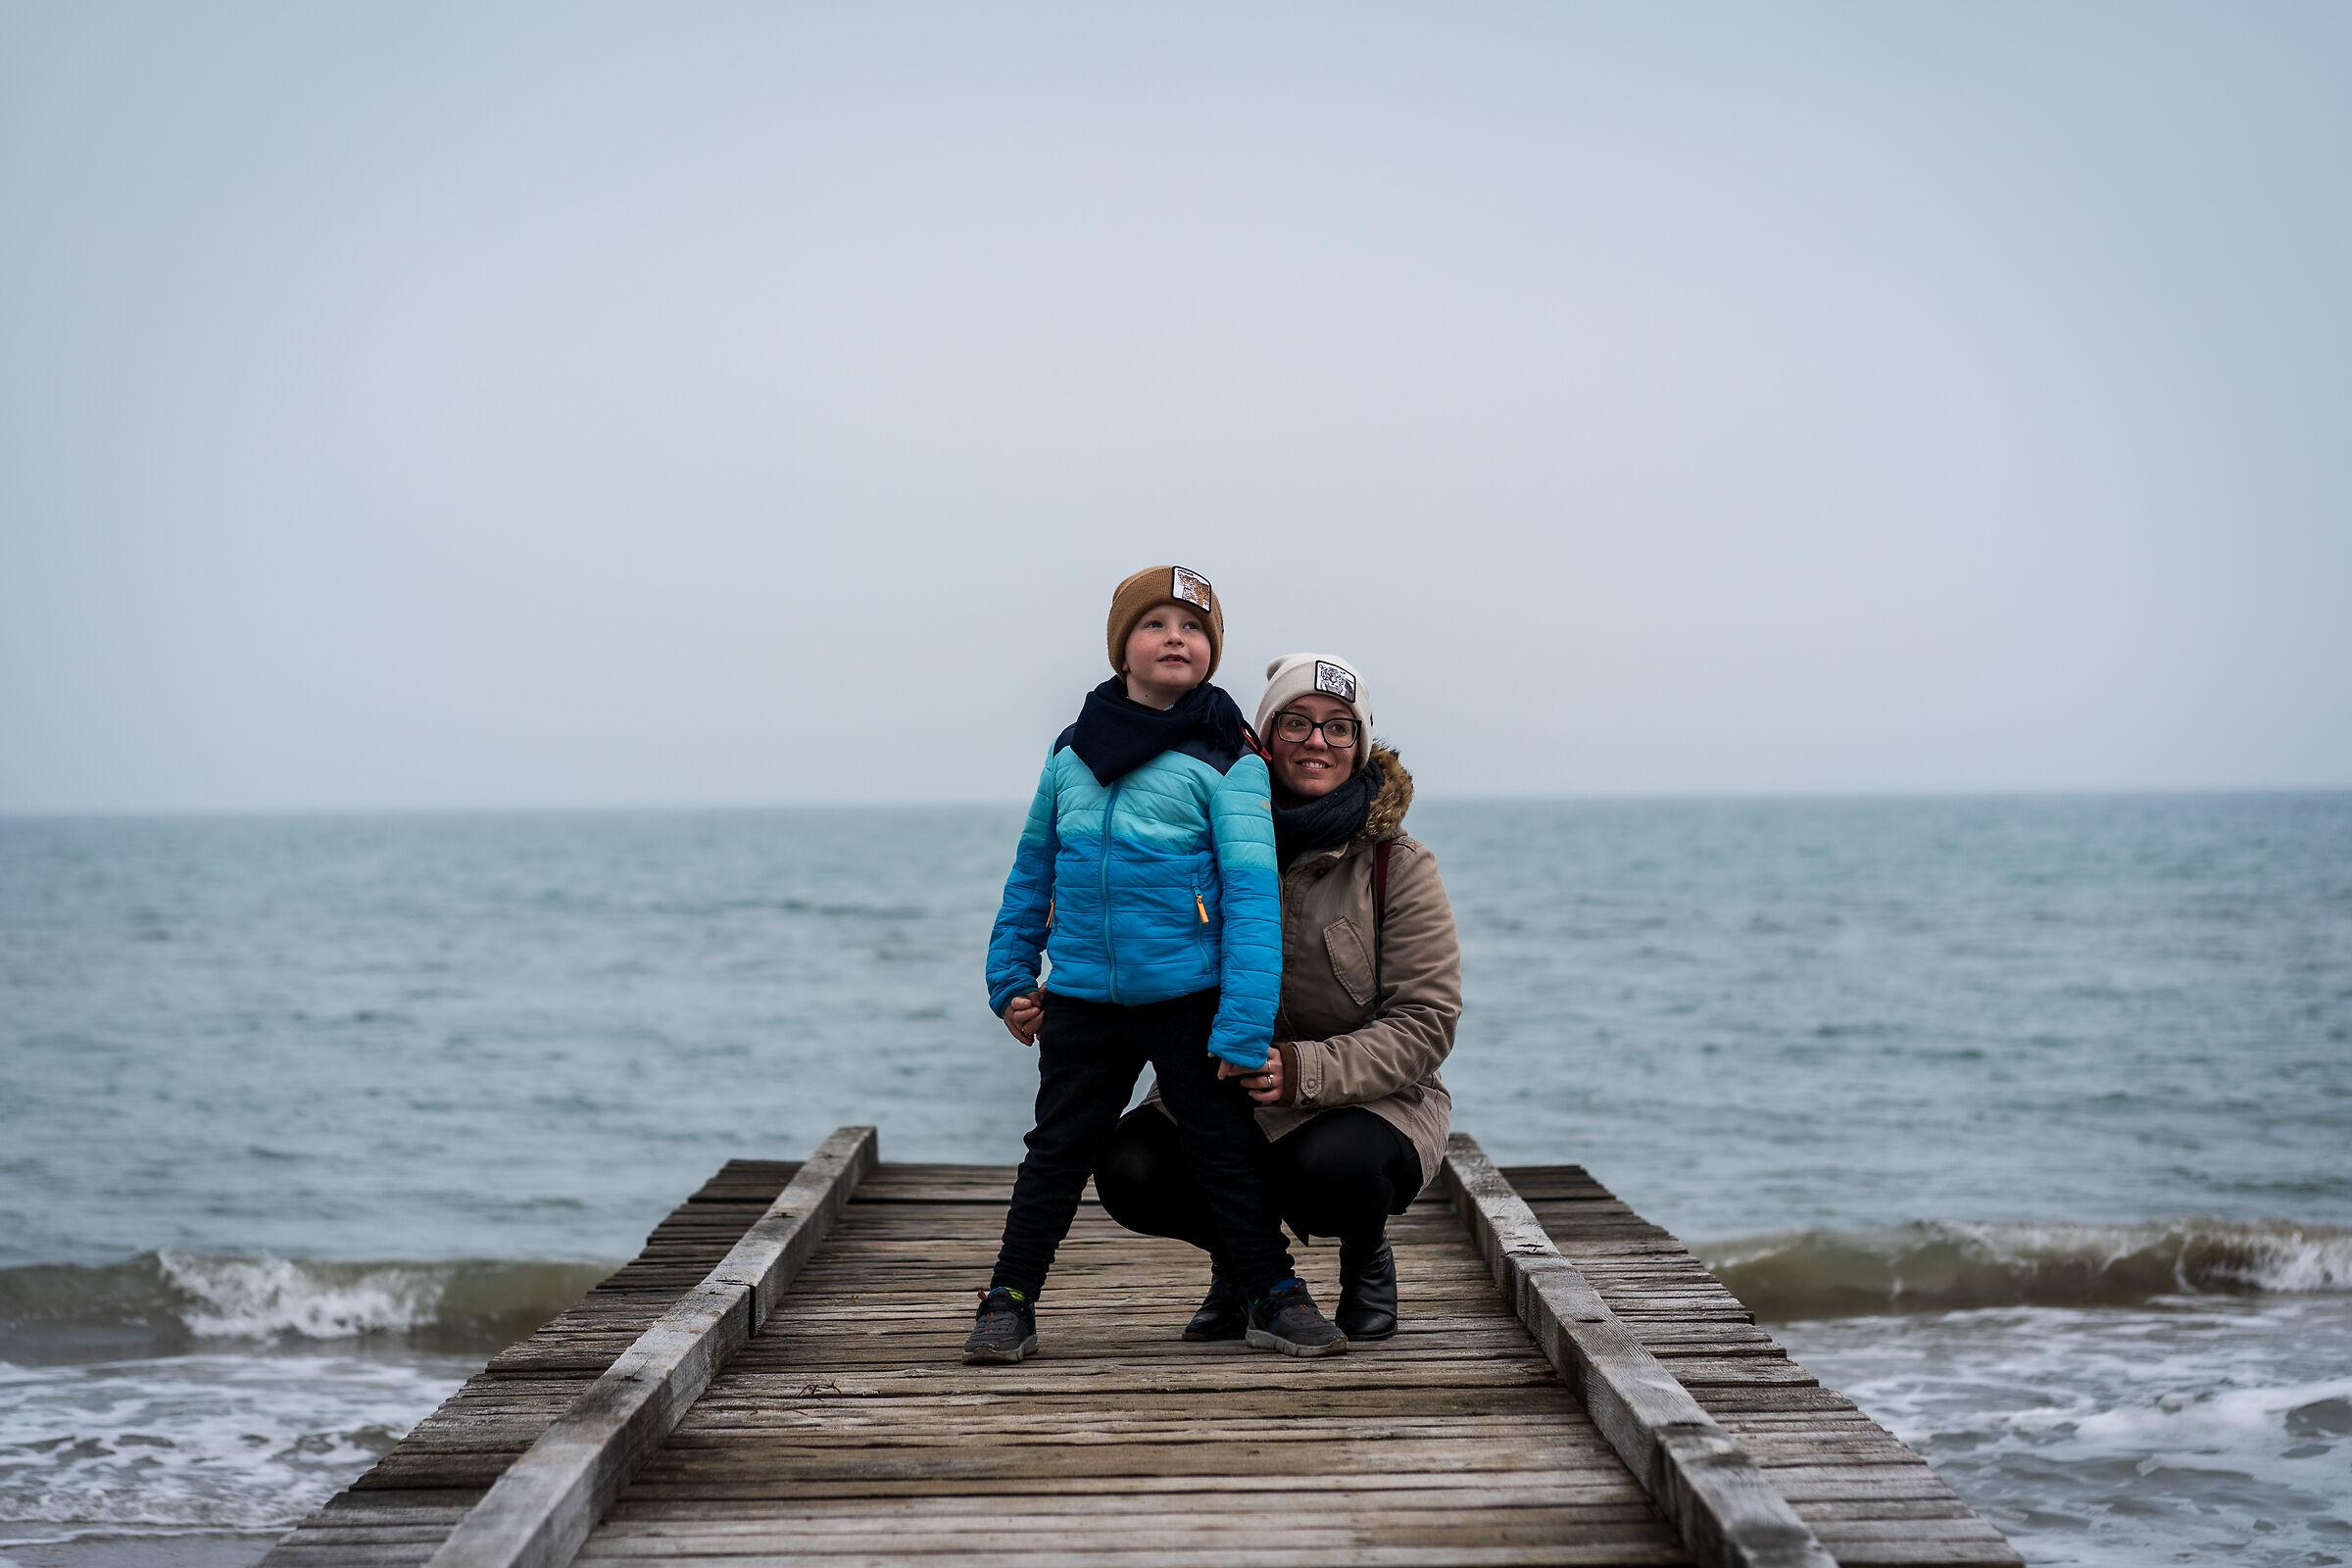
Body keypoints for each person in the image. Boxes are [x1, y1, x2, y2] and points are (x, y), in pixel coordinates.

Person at [967, 568, 1349, 1363]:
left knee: (1225, 1151)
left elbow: (1251, 899)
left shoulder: (1229, 755)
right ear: (1122, 647)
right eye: (1157, 624)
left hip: (1190, 997)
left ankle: (1273, 1294)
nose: (1177, 638)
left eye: (1194, 627)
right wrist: (1010, 978)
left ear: (1212, 651)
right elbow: (1033, 868)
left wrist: (1243, 1023)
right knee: (1055, 1152)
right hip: (1082, 996)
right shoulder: (1071, 751)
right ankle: (1009, 1300)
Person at [1095, 652, 1461, 1342]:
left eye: (1339, 727)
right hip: (1220, 1087)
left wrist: (1300, 1070)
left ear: (1360, 744)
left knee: (1328, 1168)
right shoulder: (1204, 837)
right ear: (1265, 736)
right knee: (1128, 1167)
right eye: (1296, 722)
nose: (1317, 741)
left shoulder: (1397, 864)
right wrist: (1059, 984)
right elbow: (1137, 941)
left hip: (1372, 1098)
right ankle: (1248, 1266)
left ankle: (1366, 1254)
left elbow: (1425, 1023)